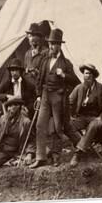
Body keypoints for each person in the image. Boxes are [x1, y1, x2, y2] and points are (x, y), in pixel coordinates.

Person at [29, 28, 81, 168]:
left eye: (54, 44)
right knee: (40, 125)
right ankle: (41, 157)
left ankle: (57, 156)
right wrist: (39, 95)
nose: (51, 46)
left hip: (58, 96)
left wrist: (64, 75)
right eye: (50, 43)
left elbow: (76, 81)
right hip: (45, 95)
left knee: (58, 127)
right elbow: (39, 79)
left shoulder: (66, 63)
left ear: (59, 45)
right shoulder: (45, 60)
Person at [68, 64, 102, 167]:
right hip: (81, 117)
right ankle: (84, 145)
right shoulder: (79, 88)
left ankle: (78, 153)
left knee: (93, 125)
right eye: (84, 73)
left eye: (88, 74)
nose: (86, 76)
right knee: (68, 125)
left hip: (96, 117)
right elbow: (69, 102)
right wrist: (69, 115)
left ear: (93, 76)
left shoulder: (101, 88)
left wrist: (101, 117)